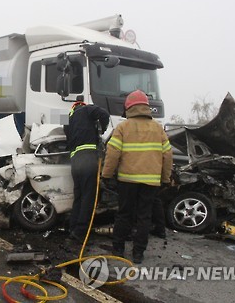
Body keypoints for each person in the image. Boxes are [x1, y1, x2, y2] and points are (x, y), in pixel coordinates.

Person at [101, 90, 172, 263]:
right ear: (146, 107)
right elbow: (167, 155)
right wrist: (165, 178)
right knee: (144, 216)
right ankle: (138, 254)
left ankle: (118, 249)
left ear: (129, 108)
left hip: (127, 180)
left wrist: (107, 175)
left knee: (124, 214)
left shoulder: (123, 127)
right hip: (151, 182)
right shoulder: (157, 128)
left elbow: (113, 153)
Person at [64, 99, 110, 242]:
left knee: (79, 196)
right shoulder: (87, 109)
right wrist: (101, 129)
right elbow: (104, 114)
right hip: (88, 159)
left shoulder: (68, 120)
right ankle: (80, 232)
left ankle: (73, 228)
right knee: (88, 197)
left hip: (75, 162)